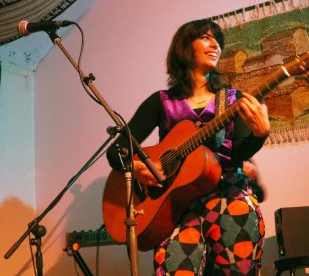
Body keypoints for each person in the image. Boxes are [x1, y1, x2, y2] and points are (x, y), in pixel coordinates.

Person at [106, 19, 270, 275]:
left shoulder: (232, 99)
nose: (215, 44)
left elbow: (237, 153)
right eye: (206, 37)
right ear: (184, 47)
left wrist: (260, 135)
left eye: (217, 40)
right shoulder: (161, 102)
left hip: (230, 197)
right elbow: (117, 152)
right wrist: (137, 169)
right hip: (176, 209)